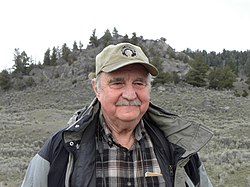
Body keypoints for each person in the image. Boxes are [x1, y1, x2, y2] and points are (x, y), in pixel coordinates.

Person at [21, 42, 213, 187]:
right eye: (117, 83)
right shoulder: (59, 151)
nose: (130, 95)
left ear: (149, 88)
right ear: (96, 88)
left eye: (139, 83)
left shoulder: (179, 149)